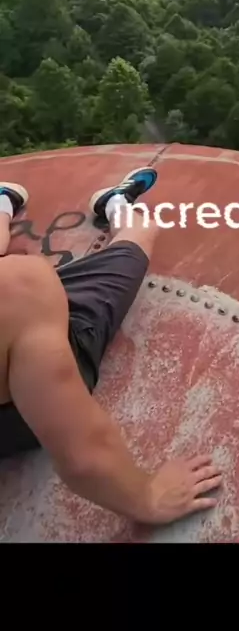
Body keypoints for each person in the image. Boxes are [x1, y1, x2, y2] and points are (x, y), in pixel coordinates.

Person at [0, 168, 222, 525]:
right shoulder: (19, 288)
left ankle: (3, 203)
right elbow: (82, 454)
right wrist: (148, 498)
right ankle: (116, 203)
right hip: (15, 415)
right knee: (140, 234)